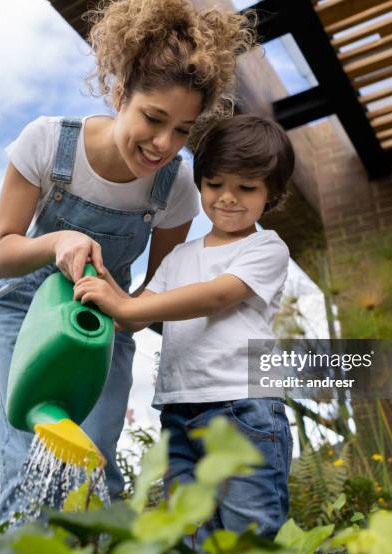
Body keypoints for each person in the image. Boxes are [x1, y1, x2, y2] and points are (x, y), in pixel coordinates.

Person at [0, 0, 255, 522]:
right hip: (25, 313)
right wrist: (57, 241)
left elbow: (157, 288)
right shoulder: (47, 143)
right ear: (118, 93)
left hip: (104, 328)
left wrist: (127, 305)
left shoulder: (174, 186)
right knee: (26, 458)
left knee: (94, 463)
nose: (163, 144)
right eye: (153, 118)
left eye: (182, 130)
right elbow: (0, 255)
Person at [74, 114, 295, 548]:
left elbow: (217, 295)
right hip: (178, 413)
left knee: (246, 533)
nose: (227, 198)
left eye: (246, 188)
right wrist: (102, 284)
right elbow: (135, 315)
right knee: (188, 530)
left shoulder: (265, 247)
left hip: (244, 408)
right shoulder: (178, 257)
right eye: (215, 184)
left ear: (272, 195)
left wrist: (124, 302)